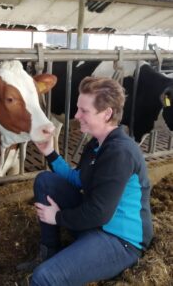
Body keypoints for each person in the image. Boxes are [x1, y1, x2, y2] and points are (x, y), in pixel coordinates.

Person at [17, 76, 153, 285]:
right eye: (78, 108)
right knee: (45, 180)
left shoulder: (120, 153)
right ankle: (49, 252)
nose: (76, 115)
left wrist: (58, 217)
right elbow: (78, 180)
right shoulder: (97, 145)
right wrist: (51, 153)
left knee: (44, 278)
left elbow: (99, 213)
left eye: (84, 111)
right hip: (96, 223)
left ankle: (58, 263)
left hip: (119, 240)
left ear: (107, 114)